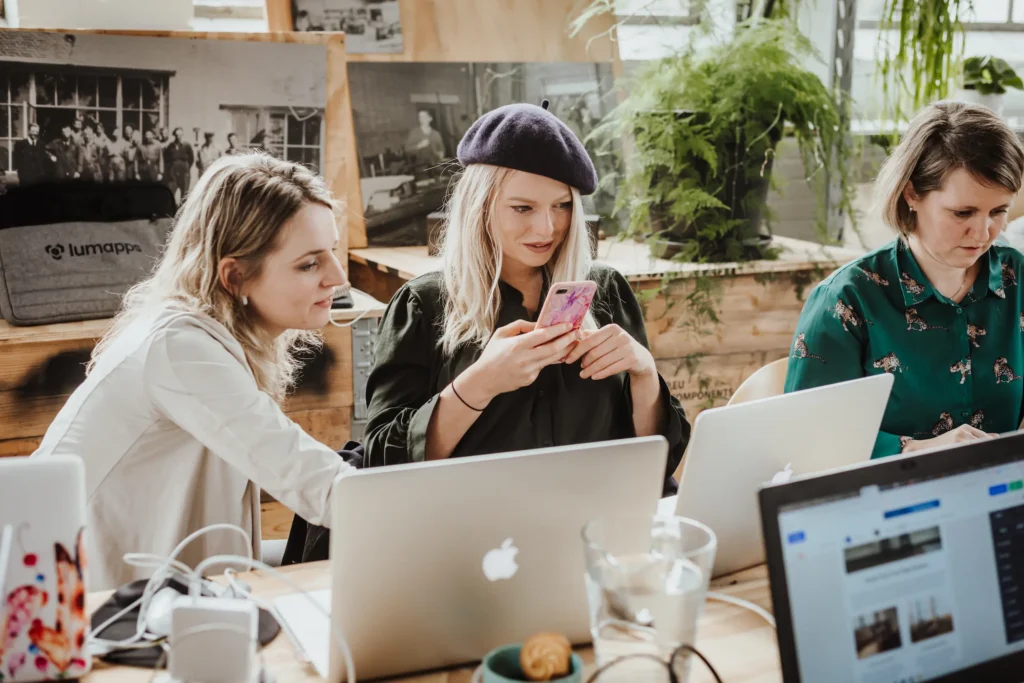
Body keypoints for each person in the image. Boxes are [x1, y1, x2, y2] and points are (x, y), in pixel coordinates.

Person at [31, 153, 356, 591]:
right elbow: (315, 482)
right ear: (234, 277)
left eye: (332, 251)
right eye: (310, 264)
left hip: (164, 580)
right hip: (82, 601)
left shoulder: (206, 334)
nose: (338, 277)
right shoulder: (179, 349)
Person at [364, 101, 689, 493]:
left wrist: (643, 373)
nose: (547, 228)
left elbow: (658, 463)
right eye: (523, 208)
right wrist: (480, 383)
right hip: (474, 525)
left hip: (597, 516)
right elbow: (381, 464)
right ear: (479, 206)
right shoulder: (423, 305)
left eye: (562, 206)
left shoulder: (606, 292)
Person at [785, 101, 1024, 458]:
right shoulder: (846, 300)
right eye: (963, 212)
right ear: (912, 193)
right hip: (886, 491)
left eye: (998, 211)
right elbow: (805, 435)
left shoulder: (1018, 278)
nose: (983, 232)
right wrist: (915, 449)